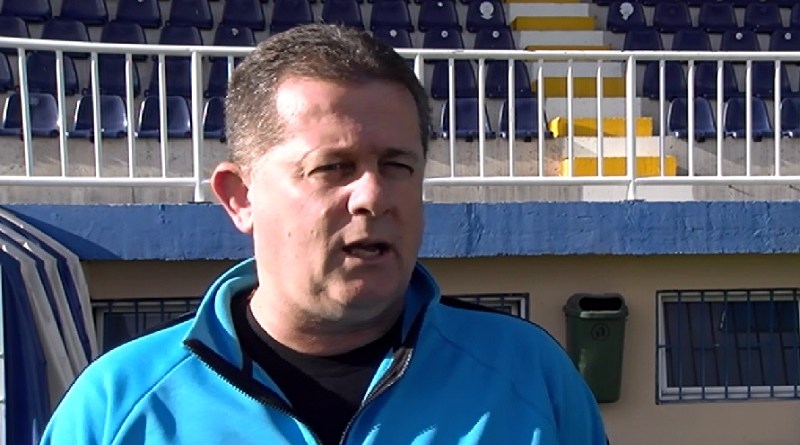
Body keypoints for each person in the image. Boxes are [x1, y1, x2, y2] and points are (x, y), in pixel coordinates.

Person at [40, 24, 608, 445]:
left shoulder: (529, 376)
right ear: (240, 197)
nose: (372, 195)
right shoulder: (117, 405)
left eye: (397, 166)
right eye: (333, 167)